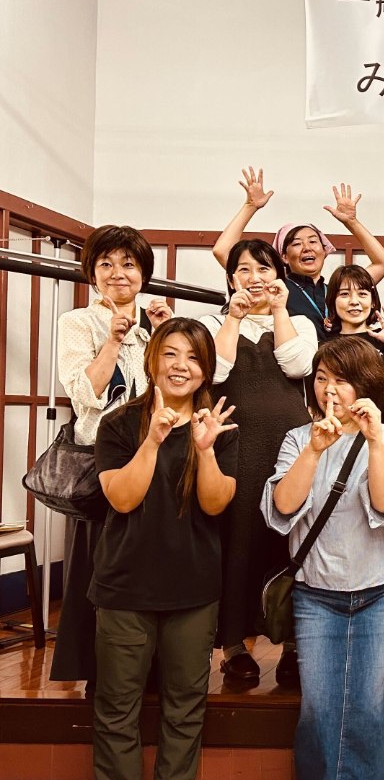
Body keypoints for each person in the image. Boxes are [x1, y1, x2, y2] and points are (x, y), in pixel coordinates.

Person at [91, 318, 237, 780]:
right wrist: (153, 441)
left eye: (193, 357)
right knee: (116, 710)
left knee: (186, 709)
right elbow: (122, 498)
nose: (180, 365)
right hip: (124, 589)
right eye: (171, 353)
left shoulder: (219, 427)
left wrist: (206, 450)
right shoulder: (118, 424)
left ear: (207, 369)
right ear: (152, 359)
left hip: (193, 591)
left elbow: (216, 504)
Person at [264, 337, 384, 780]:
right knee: (317, 706)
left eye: (342, 380)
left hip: (381, 589)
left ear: (364, 385)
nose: (329, 389)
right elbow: (283, 507)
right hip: (316, 593)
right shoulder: (298, 439)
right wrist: (313, 450)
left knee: (367, 706)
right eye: (322, 378)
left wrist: (374, 441)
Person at [52, 224, 172, 685]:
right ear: (92, 273)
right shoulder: (77, 322)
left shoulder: (157, 320)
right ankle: (100, 674)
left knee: (154, 558)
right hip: (102, 457)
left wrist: (165, 333)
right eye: (106, 264)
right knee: (101, 565)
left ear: (144, 273)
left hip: (158, 453)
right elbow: (85, 394)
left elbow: (179, 386)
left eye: (128, 264)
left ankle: (155, 669)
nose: (118, 273)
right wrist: (114, 340)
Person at [199, 239, 318, 685]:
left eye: (264, 269)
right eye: (244, 270)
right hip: (235, 445)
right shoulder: (212, 323)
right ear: (231, 279)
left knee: (291, 540)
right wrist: (234, 317)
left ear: (279, 276)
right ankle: (233, 646)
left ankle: (292, 645)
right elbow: (213, 371)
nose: (255, 278)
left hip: (290, 447)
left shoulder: (300, 322)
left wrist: (279, 310)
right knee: (237, 540)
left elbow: (298, 366)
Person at [212, 167, 384, 336]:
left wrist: (351, 222)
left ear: (325, 250)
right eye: (297, 244)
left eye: (313, 241)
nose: (307, 247)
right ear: (283, 256)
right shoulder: (275, 286)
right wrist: (250, 206)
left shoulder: (339, 289)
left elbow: (383, 262)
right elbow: (222, 251)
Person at [323, 263, 384, 352]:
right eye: (345, 294)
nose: (354, 302)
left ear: (373, 302)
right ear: (333, 301)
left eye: (362, 294)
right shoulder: (325, 347)